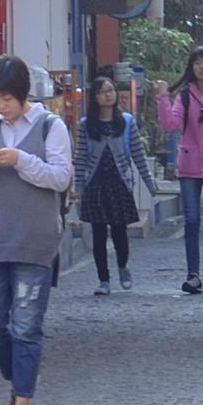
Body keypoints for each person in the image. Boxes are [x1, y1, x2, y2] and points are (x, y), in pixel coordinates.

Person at [0, 55, 73, 405]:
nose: (0, 106)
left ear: (22, 94)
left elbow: (61, 178)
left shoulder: (50, 126)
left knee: (26, 325)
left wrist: (19, 159)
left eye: (6, 99)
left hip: (35, 239)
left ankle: (22, 404)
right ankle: (21, 376)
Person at [162, 46, 203, 296]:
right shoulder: (185, 96)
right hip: (189, 166)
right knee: (191, 221)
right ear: (192, 67)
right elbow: (171, 126)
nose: (202, 67)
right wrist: (162, 98)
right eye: (197, 63)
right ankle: (193, 275)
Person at [76, 76, 146, 288]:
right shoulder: (86, 124)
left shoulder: (126, 121)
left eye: (111, 90)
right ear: (95, 97)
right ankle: (103, 279)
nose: (108, 95)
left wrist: (149, 182)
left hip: (119, 182)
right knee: (98, 233)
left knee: (119, 231)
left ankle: (123, 266)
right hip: (95, 183)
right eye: (102, 91)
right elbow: (81, 156)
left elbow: (137, 153)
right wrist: (78, 185)